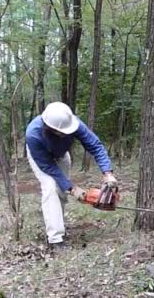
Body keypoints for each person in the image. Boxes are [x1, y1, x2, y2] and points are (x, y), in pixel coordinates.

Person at [25, 101, 117, 249]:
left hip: (61, 154)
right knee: (51, 187)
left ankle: (58, 225)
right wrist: (73, 188)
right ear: (50, 128)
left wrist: (108, 173)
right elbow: (49, 167)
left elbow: (95, 145)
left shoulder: (72, 123)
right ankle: (55, 239)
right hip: (42, 160)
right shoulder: (33, 134)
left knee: (61, 191)